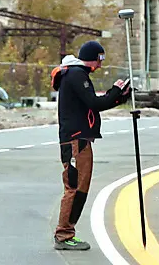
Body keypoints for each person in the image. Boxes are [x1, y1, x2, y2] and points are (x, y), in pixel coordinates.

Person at [51, 41, 131, 251]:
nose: (101, 65)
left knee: (81, 187)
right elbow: (94, 103)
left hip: (80, 139)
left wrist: (119, 97)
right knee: (75, 187)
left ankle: (66, 233)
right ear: (94, 57)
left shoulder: (76, 74)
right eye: (100, 59)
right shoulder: (76, 75)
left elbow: (96, 104)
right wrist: (116, 90)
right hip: (75, 139)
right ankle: (64, 235)